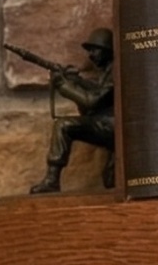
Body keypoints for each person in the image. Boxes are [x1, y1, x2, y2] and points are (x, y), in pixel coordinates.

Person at [28, 27, 116, 193]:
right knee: (110, 181)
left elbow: (92, 101)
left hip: (114, 126)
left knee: (64, 125)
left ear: (107, 50)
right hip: (109, 123)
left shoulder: (115, 71)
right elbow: (98, 91)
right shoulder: (108, 71)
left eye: (95, 50)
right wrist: (78, 82)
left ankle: (52, 180)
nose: (91, 55)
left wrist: (65, 86)